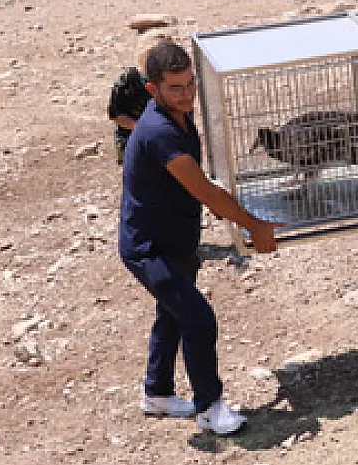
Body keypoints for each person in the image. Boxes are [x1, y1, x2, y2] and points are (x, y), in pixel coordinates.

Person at [118, 40, 282, 435]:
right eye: (175, 88)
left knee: (172, 316)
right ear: (152, 90)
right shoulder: (160, 132)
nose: (187, 94)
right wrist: (253, 225)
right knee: (198, 318)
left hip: (177, 241)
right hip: (149, 248)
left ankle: (156, 394)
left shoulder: (180, 117)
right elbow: (204, 190)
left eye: (191, 84)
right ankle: (209, 408)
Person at [108, 56, 153, 165]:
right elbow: (115, 115)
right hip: (132, 141)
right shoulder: (128, 80)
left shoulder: (171, 81)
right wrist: (146, 130)